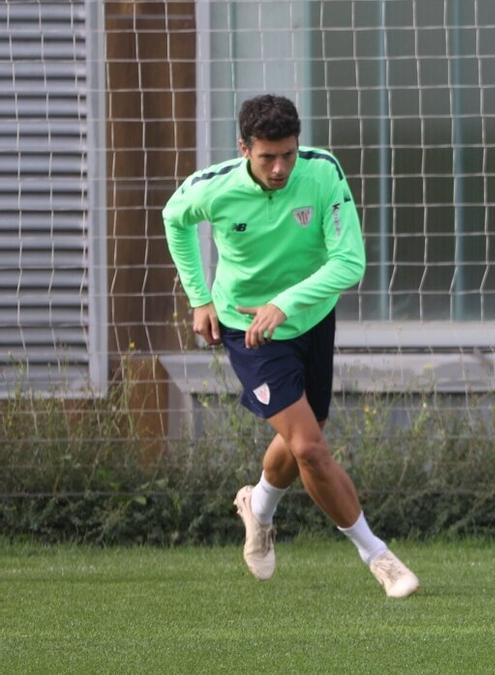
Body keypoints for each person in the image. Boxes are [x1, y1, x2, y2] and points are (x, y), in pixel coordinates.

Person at [163, 94, 418, 598]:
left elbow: (350, 263)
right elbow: (175, 219)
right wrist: (199, 298)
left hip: (310, 320)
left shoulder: (322, 173)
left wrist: (285, 302)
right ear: (244, 149)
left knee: (309, 433)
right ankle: (379, 556)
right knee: (309, 448)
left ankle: (256, 508)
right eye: (267, 157)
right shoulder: (214, 189)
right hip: (247, 328)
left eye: (288, 155)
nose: (280, 168)